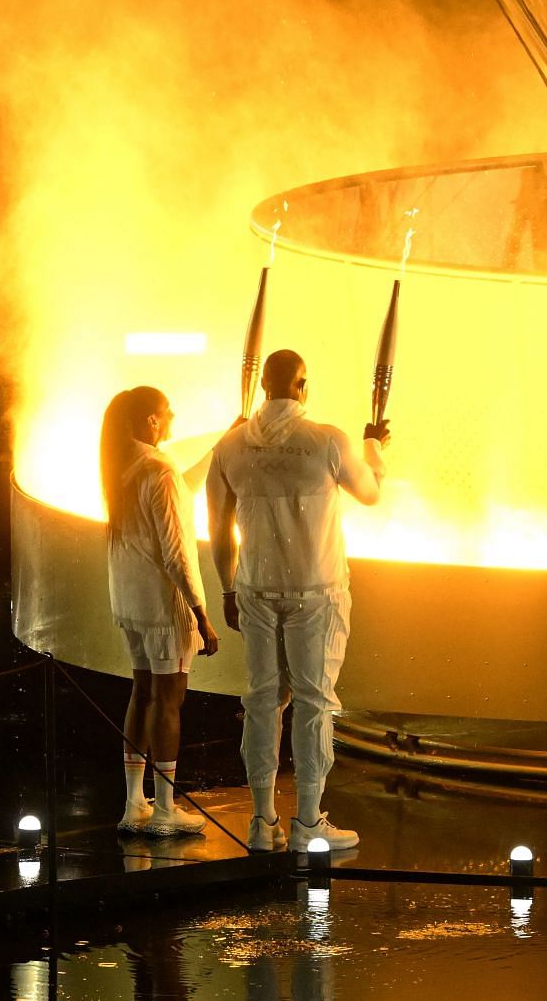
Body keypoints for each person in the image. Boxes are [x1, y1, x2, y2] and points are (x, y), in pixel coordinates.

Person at [209, 349, 388, 853]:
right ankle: (308, 821)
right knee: (313, 704)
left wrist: (227, 587)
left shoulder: (231, 446)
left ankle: (261, 821)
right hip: (318, 592)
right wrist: (374, 449)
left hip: (255, 590)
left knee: (263, 701)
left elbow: (217, 528)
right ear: (303, 385)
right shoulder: (329, 441)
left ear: (264, 385)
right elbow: (371, 493)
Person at [101, 386, 220, 836]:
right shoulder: (158, 470)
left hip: (129, 602)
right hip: (163, 604)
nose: (172, 418)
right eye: (167, 412)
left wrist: (219, 446)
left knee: (142, 693)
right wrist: (201, 612)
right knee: (170, 701)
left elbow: (179, 487)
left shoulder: (122, 465)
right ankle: (167, 808)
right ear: (151, 420)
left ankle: (135, 803)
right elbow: (176, 554)